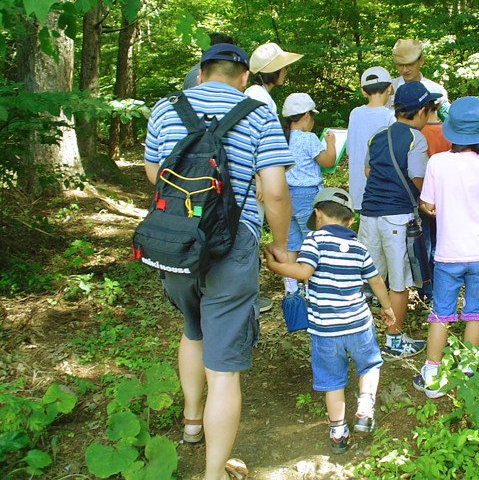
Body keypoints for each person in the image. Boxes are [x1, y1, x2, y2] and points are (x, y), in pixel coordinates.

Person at [144, 43, 293, 480]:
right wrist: (281, 244)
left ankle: (192, 423)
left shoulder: (165, 108)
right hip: (233, 243)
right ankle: (213, 473)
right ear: (244, 76)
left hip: (175, 242)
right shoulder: (259, 113)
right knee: (223, 369)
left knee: (193, 330)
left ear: (202, 72)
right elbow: (277, 190)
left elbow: (155, 173)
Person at [263, 188, 396, 454]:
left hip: (324, 329)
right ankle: (365, 406)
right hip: (358, 323)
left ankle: (337, 432)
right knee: (369, 364)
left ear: (317, 214)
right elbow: (376, 281)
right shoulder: (359, 247)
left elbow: (303, 271)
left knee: (332, 381)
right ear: (350, 222)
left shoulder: (313, 240)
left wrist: (274, 265)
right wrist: (387, 307)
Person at [413, 96, 479, 398]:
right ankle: (468, 370)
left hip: (449, 253)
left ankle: (433, 375)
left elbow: (428, 204)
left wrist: (433, 210)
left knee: (441, 312)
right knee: (476, 311)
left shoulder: (438, 162)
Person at [360, 81, 437, 360]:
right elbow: (419, 178)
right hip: (398, 217)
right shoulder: (417, 138)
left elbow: (368, 170)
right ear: (420, 112)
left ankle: (349, 330)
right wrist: (427, 202)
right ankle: (394, 339)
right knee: (398, 282)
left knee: (366, 276)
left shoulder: (377, 135)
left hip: (369, 214)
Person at [245, 41, 303, 311]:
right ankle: (246, 298)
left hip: (255, 176)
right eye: (283, 67)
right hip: (255, 178)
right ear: (274, 71)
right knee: (249, 233)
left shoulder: (257, 93)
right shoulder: (258, 97)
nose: (286, 71)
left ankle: (247, 295)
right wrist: (258, 178)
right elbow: (253, 142)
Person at [280, 92, 337, 295]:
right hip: (307, 196)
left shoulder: (281, 137)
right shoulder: (308, 138)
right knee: (312, 241)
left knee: (292, 243)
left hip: (285, 196)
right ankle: (312, 286)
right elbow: (328, 162)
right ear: (306, 116)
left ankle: (291, 288)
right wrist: (331, 143)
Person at [415, 97, 452, 308]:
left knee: (424, 243)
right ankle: (441, 288)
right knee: (441, 243)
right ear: (439, 106)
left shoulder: (417, 131)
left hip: (422, 196)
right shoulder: (449, 132)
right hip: (446, 197)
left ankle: (425, 290)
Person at [347, 66, 395, 211]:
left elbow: (350, 149)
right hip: (382, 187)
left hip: (358, 186)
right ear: (389, 88)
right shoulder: (390, 117)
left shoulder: (355, 113)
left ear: (363, 90)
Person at [390, 39, 449, 113]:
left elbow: (448, 120)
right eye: (400, 65)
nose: (405, 70)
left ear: (421, 61)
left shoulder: (436, 90)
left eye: (410, 65)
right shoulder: (388, 90)